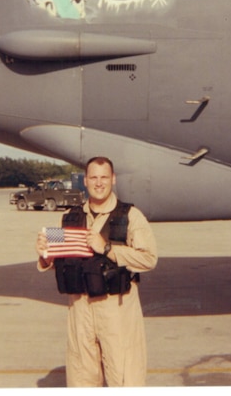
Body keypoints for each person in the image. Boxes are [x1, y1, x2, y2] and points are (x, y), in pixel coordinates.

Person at [35, 156, 157, 387]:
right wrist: (44, 254)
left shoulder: (130, 216)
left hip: (117, 310)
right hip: (80, 310)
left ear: (113, 179)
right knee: (81, 378)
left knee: (123, 378)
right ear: (85, 181)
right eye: (93, 177)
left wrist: (108, 248)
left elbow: (149, 259)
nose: (98, 183)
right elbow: (58, 257)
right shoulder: (71, 217)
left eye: (104, 177)